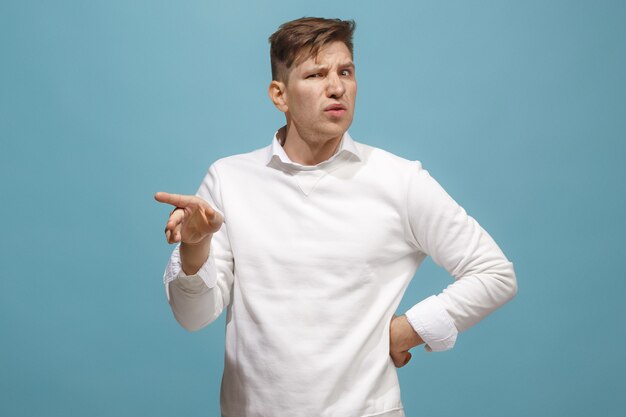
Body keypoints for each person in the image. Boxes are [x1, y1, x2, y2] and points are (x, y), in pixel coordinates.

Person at [155, 17, 517, 417]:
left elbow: (494, 273)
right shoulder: (229, 179)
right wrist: (195, 247)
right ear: (280, 95)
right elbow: (193, 318)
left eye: (345, 71)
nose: (336, 87)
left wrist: (407, 330)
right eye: (316, 74)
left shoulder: (398, 180)